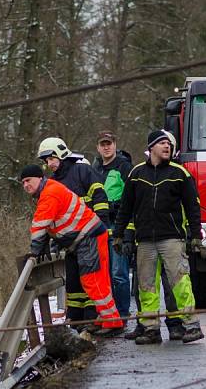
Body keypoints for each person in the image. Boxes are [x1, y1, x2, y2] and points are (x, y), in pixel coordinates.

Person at [113, 130, 206, 344]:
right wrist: (118, 235)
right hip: (144, 240)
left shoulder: (180, 173)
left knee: (180, 282)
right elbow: (125, 208)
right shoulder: (136, 174)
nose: (167, 147)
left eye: (169, 144)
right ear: (151, 147)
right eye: (162, 143)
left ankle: (191, 325)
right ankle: (150, 329)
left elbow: (192, 207)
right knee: (146, 287)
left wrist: (195, 235)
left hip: (171, 238)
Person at [20, 163, 123, 337]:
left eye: (28, 180)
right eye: (22, 183)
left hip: (89, 238)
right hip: (89, 237)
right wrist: (45, 242)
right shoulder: (50, 190)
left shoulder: (49, 194)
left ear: (39, 178)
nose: (25, 185)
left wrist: (35, 250)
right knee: (97, 280)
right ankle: (106, 318)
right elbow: (51, 222)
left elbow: (39, 225)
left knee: (93, 280)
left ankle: (112, 321)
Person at [38, 137, 112, 332]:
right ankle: (75, 319)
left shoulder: (82, 171)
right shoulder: (52, 183)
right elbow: (49, 216)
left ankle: (91, 319)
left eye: (51, 159)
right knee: (73, 283)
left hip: (89, 237)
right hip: (70, 242)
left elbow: (100, 198)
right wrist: (49, 243)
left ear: (61, 154)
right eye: (46, 162)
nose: (49, 164)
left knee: (91, 279)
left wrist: (102, 225)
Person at [91, 130, 133, 322]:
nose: (106, 147)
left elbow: (132, 198)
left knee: (119, 273)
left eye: (109, 143)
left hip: (119, 225)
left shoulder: (124, 167)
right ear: (98, 147)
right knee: (104, 274)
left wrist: (128, 231)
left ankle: (123, 313)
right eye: (103, 144)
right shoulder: (95, 169)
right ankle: (109, 314)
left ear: (115, 145)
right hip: (99, 226)